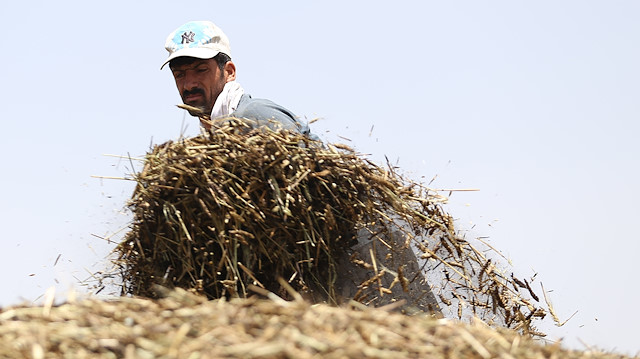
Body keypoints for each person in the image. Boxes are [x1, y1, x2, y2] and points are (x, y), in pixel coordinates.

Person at [161, 20, 316, 138]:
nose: (188, 85)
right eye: (179, 75)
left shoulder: (254, 117)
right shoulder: (208, 142)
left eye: (201, 70)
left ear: (229, 72)